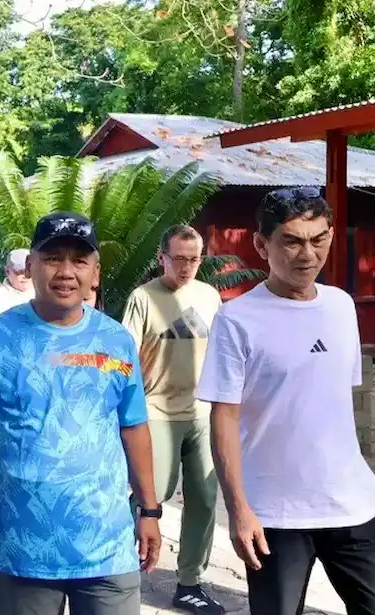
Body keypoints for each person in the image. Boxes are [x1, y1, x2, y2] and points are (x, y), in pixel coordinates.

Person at [197, 188, 375, 615]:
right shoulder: (237, 319)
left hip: (350, 502)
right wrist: (239, 509)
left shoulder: (341, 307)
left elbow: (332, 402)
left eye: (319, 239)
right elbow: (224, 418)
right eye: (291, 241)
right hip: (275, 514)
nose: (307, 254)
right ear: (262, 244)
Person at [0, 211, 161, 615]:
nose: (66, 271)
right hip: (23, 548)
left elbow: (134, 427)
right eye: (52, 258)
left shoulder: (115, 340)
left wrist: (149, 510)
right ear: (30, 266)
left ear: (95, 274)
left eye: (79, 260)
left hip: (107, 547)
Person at [122, 224, 225, 615]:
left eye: (193, 259)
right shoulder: (142, 298)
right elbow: (126, 358)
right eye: (178, 259)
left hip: (202, 411)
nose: (185, 267)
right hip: (157, 411)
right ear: (162, 257)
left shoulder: (209, 295)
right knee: (152, 495)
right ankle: (120, 566)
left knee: (204, 497)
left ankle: (190, 583)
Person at [0, 248, 35, 324]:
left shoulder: (41, 293)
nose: (25, 275)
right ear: (7, 271)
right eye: (20, 272)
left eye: (29, 270)